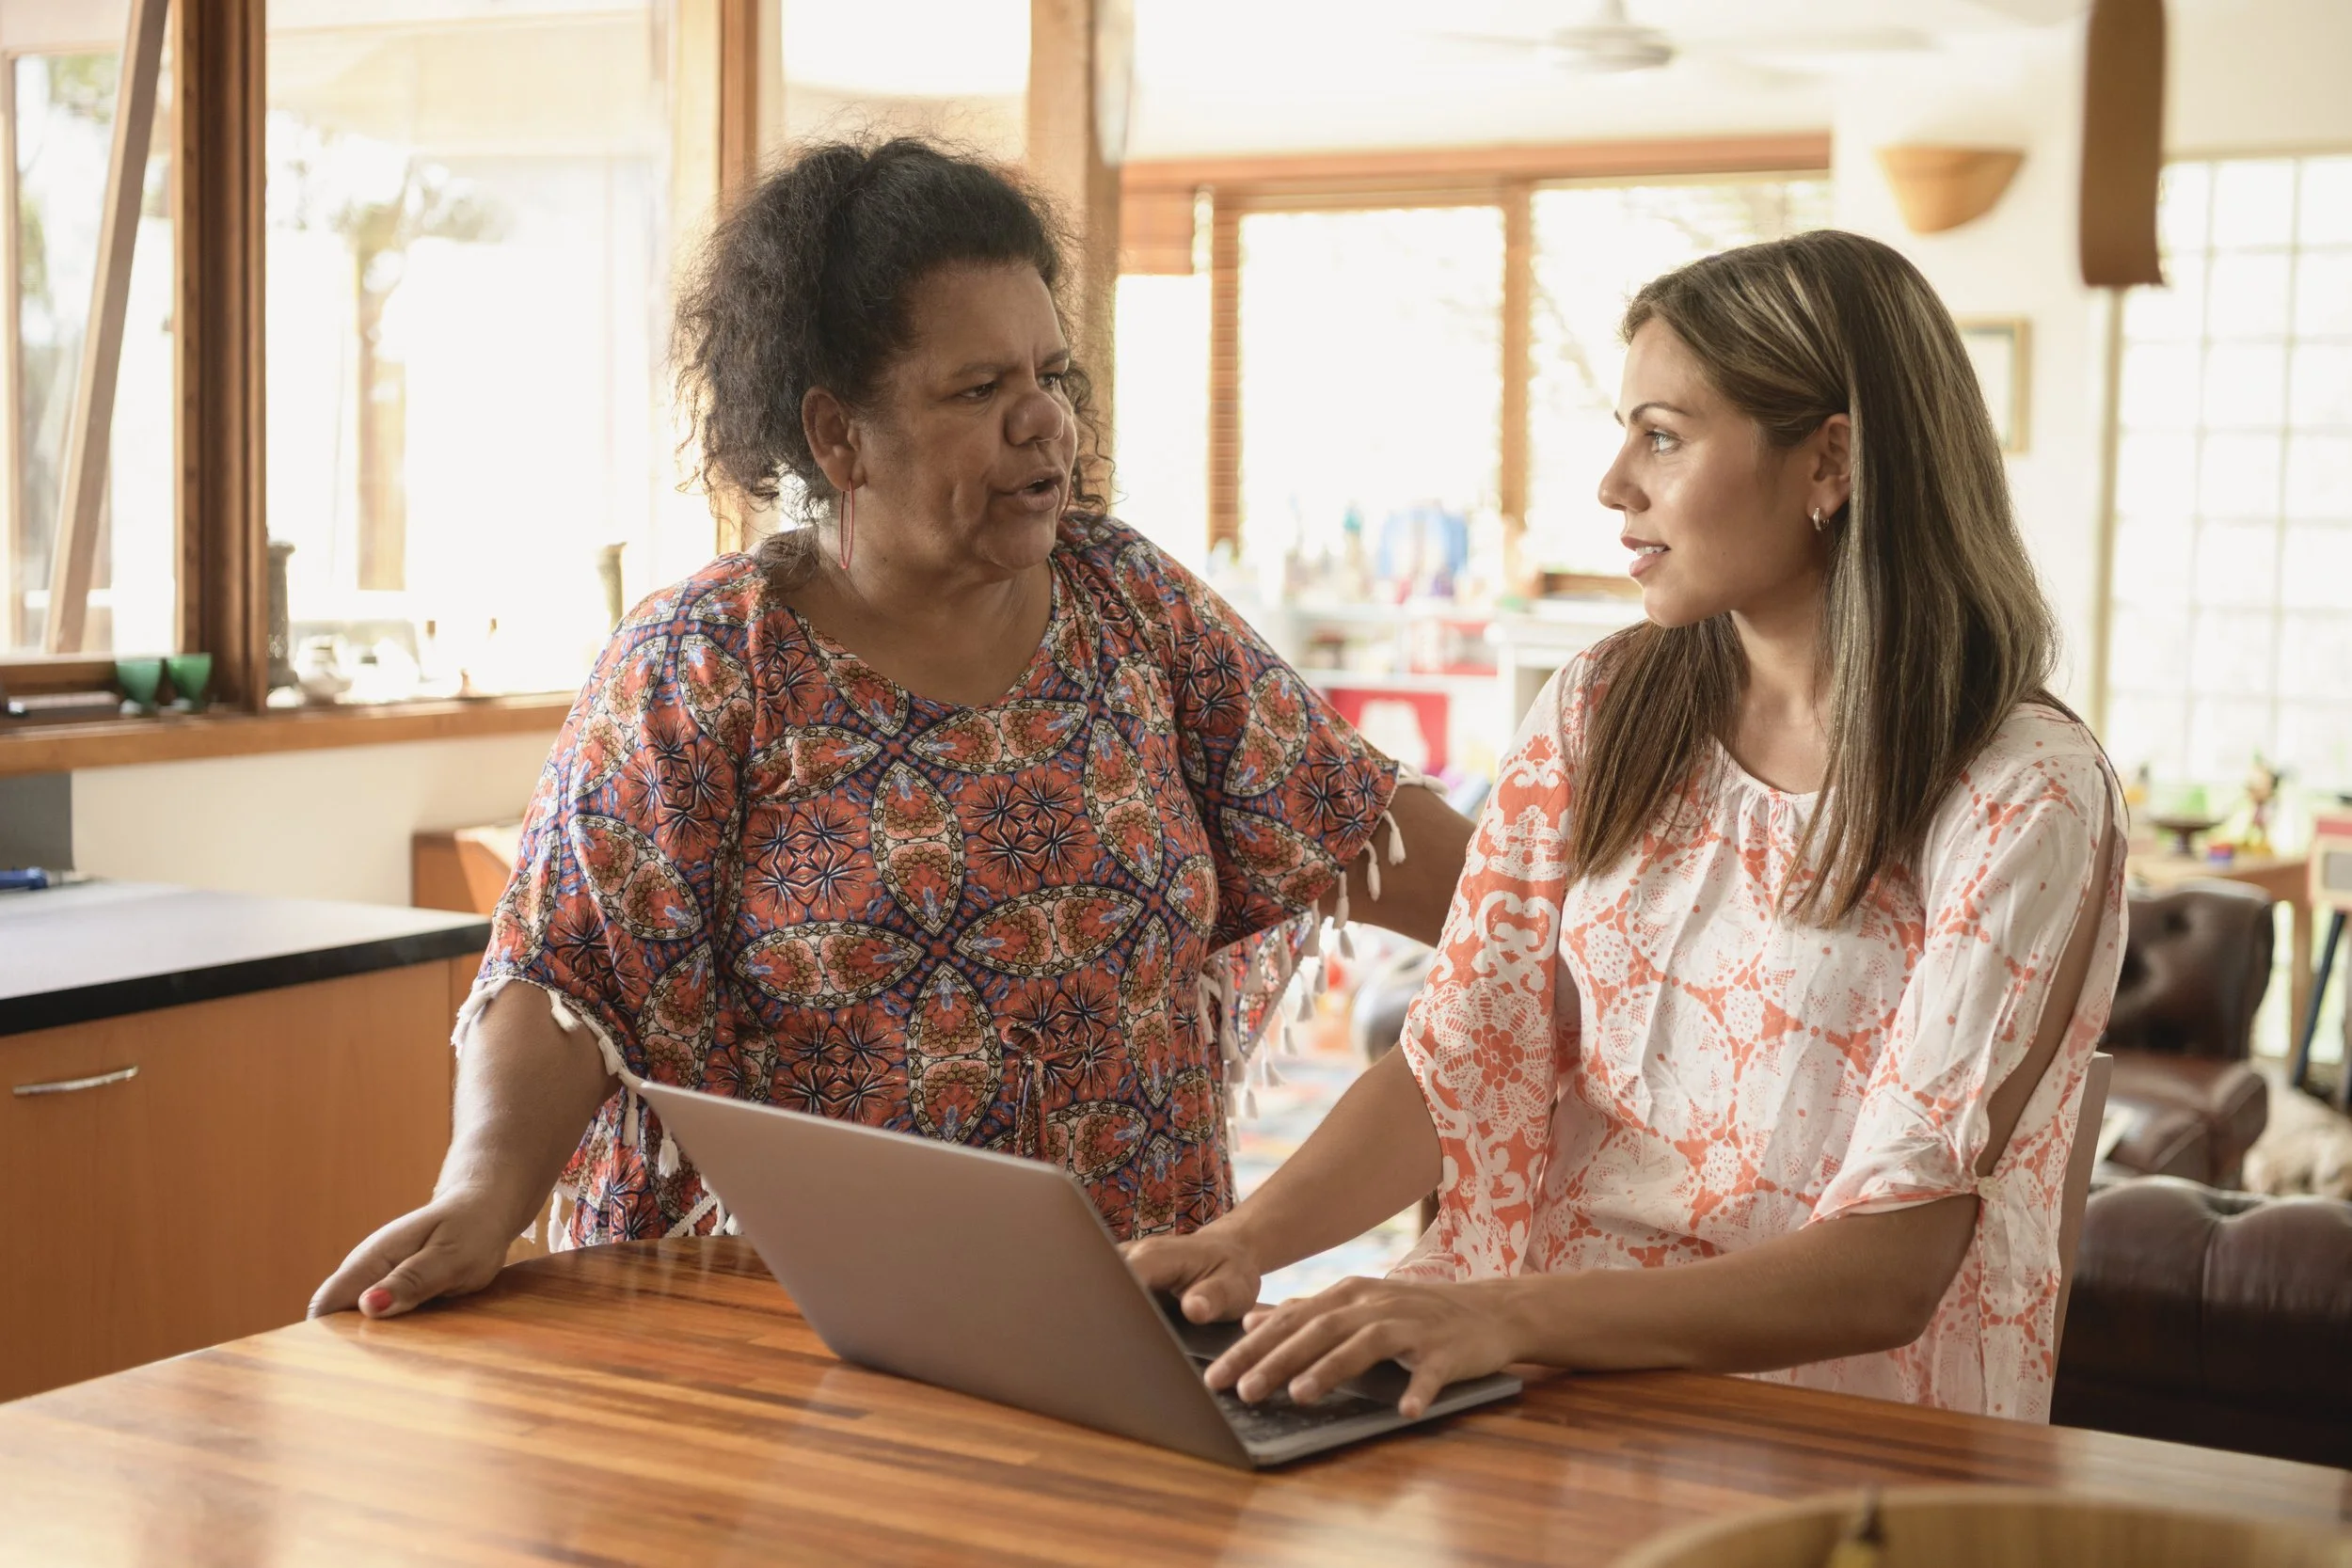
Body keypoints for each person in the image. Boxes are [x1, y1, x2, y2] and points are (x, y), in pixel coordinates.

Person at [310, 138, 1470, 1322]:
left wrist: (1620, 944)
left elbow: (1440, 871)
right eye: (979, 391)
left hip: (1122, 1331)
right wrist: (479, 1193)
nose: (1045, 425)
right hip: (785, 1344)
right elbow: (567, 969)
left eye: (1053, 377)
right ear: (838, 436)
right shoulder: (706, 662)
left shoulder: (1134, 606)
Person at [1127, 230, 2126, 1425]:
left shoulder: (2025, 793)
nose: (1613, 483)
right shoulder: (1602, 708)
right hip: (1542, 1374)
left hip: (1837, 1426)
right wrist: (1244, 1242)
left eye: (1663, 433)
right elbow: (1464, 1054)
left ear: (1831, 461)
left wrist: (1502, 1313)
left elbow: (1889, 1266)